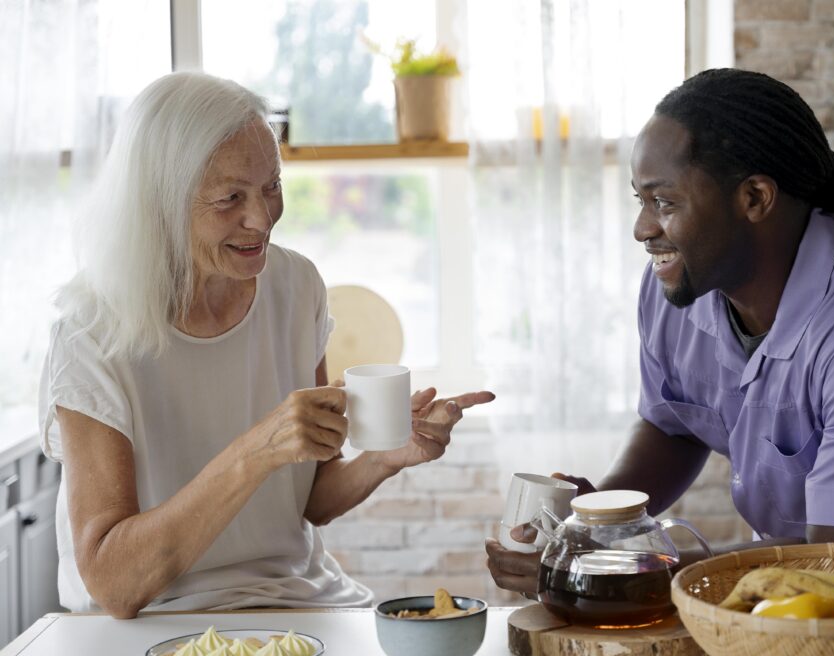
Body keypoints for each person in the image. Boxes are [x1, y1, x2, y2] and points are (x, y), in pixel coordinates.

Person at [485, 68, 834, 656]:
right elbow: (674, 423)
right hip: (801, 576)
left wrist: (620, 567)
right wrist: (598, 526)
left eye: (664, 201)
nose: (642, 228)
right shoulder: (680, 283)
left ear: (754, 197)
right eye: (640, 200)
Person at [39, 72, 494, 618]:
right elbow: (114, 585)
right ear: (160, 200)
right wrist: (259, 448)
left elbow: (310, 501)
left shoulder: (296, 287)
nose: (262, 219)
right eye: (231, 197)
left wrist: (383, 459)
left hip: (299, 604)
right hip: (160, 623)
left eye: (272, 187)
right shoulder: (92, 328)